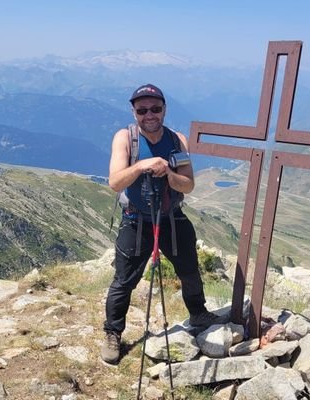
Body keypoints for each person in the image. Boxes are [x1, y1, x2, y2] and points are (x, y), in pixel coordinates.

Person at [101, 83, 225, 364]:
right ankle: (112, 333)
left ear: (164, 109)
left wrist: (167, 171)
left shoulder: (178, 140)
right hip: (135, 221)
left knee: (190, 270)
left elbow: (188, 185)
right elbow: (115, 182)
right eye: (142, 110)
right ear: (134, 112)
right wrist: (142, 166)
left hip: (172, 217)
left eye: (155, 109)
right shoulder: (125, 138)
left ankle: (198, 313)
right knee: (123, 281)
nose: (149, 115)